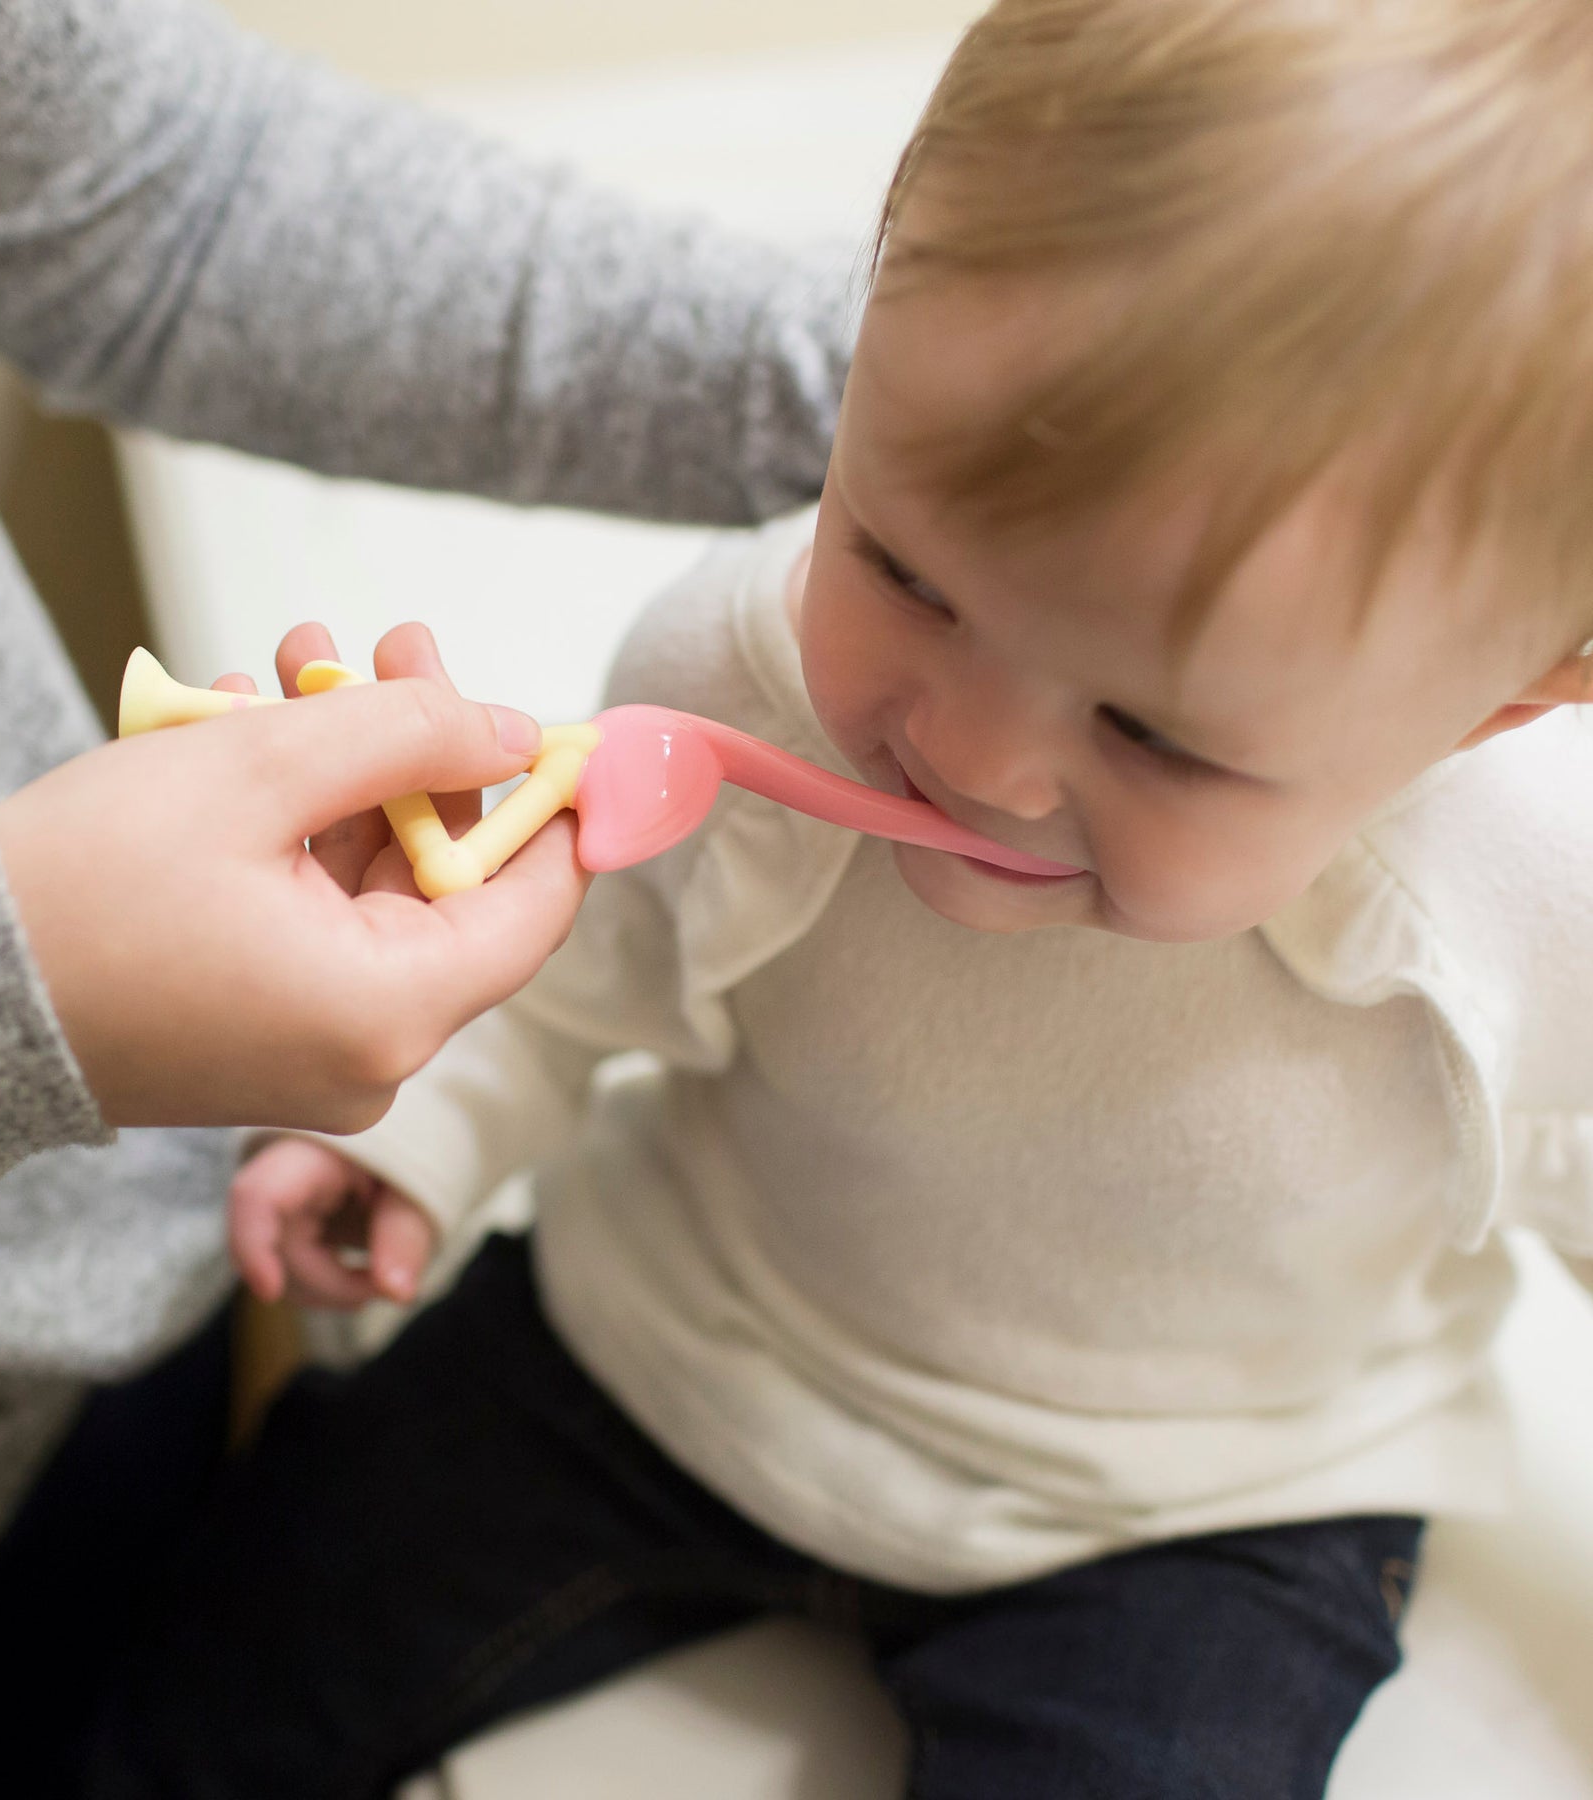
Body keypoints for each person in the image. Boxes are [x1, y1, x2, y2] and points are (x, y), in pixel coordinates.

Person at [111, 1, 1593, 1795]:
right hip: (670, 1351)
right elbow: (588, 963)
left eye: (1151, 731)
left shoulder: (1521, 911)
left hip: (1202, 1513)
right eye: (901, 566)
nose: (965, 750)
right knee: (200, 1655)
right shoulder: (729, 678)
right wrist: (418, 1127)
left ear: (1503, 697)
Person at [0, 0, 851, 1788]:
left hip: (88, 1290)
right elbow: (605, 993)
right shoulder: (709, 668)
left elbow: (145, 193)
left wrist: (950, 410)